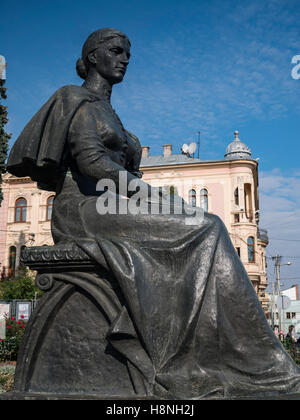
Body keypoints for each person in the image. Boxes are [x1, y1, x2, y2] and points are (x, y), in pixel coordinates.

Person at [7, 28, 300, 399]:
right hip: (83, 207)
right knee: (206, 226)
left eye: (128, 52)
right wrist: (156, 197)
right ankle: (249, 364)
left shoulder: (112, 114)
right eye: (116, 50)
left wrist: (154, 197)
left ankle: (233, 360)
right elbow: (93, 163)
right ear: (93, 57)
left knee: (206, 226)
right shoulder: (73, 98)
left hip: (111, 203)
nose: (125, 58)